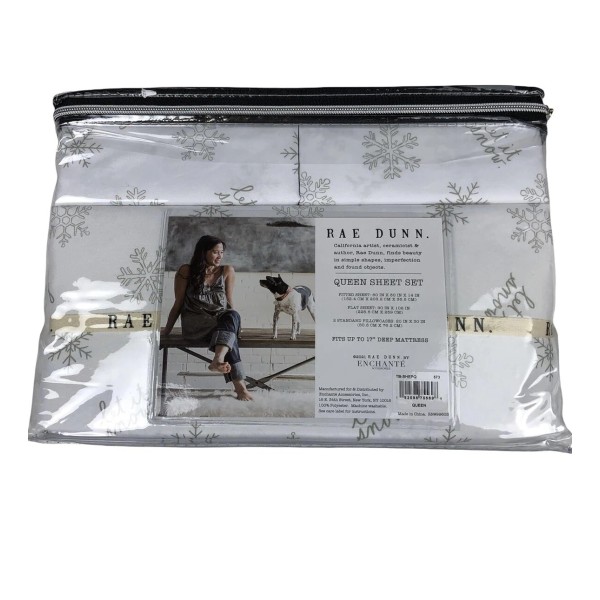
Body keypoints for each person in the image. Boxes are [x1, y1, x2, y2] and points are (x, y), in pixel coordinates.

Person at [161, 235, 253, 401]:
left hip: (219, 324)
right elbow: (178, 303)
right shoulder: (186, 271)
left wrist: (235, 325)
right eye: (215, 252)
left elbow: (229, 303)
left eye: (221, 252)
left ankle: (218, 360)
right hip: (195, 324)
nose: (219, 256)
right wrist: (166, 331)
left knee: (231, 321)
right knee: (228, 336)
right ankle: (240, 388)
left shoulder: (227, 271)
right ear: (203, 252)